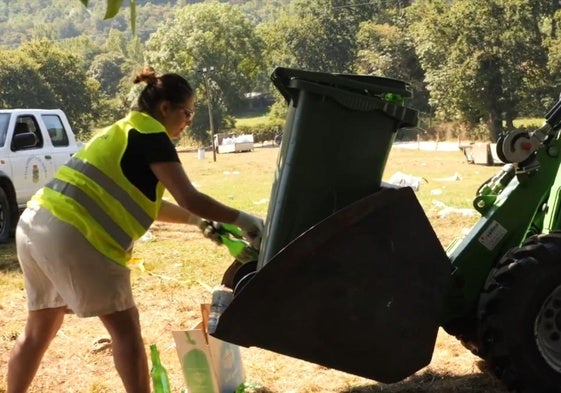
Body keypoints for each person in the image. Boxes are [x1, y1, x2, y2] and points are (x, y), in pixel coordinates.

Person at [6, 66, 264, 393]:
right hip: (75, 235)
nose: (188, 122)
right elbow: (189, 196)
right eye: (186, 113)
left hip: (33, 227)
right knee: (126, 331)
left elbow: (148, 203)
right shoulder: (151, 134)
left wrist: (197, 221)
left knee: (38, 331)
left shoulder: (123, 130)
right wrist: (245, 220)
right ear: (165, 108)